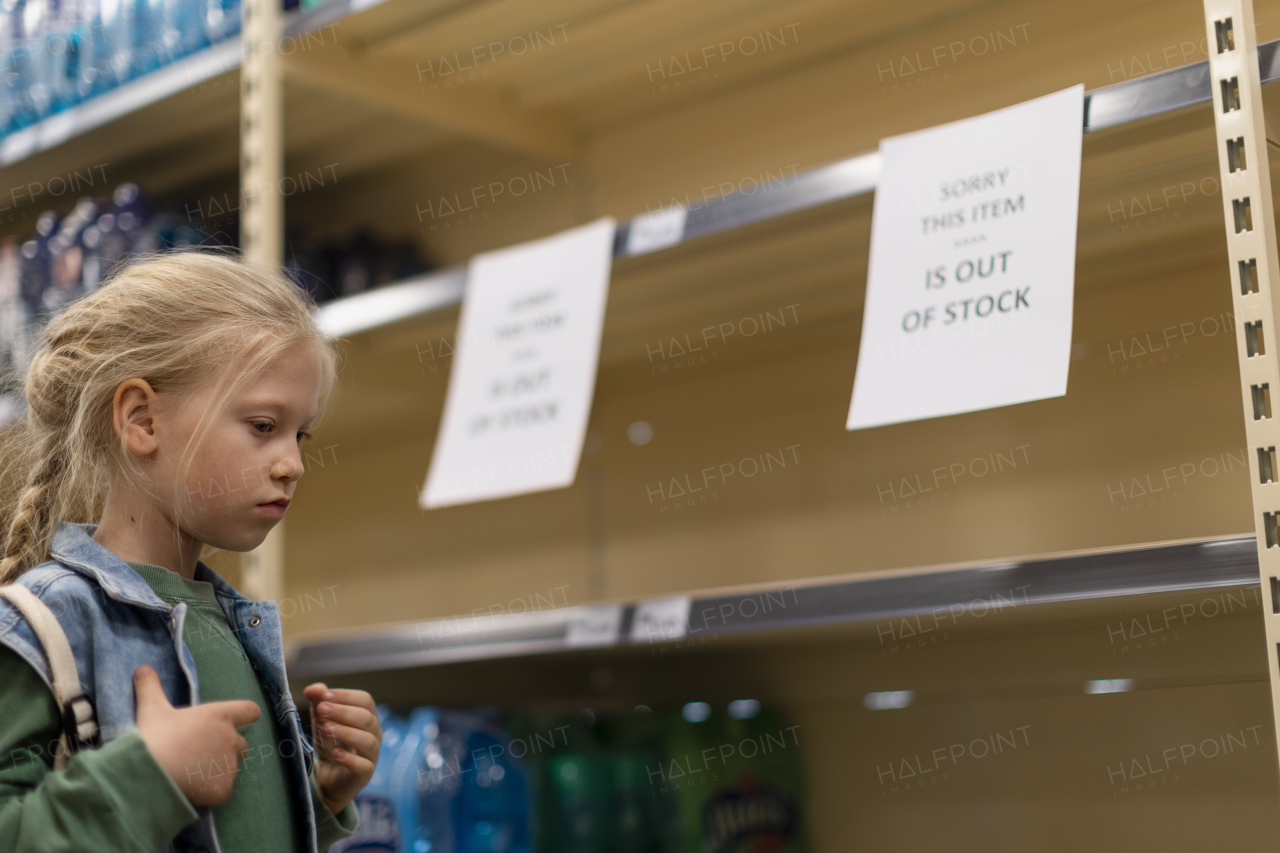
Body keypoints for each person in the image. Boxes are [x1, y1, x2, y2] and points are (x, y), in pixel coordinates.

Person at [0, 250, 380, 852]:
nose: (294, 464)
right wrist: (145, 779)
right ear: (143, 420)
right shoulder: (45, 625)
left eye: (300, 433)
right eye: (262, 425)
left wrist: (320, 797)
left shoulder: (233, 624)